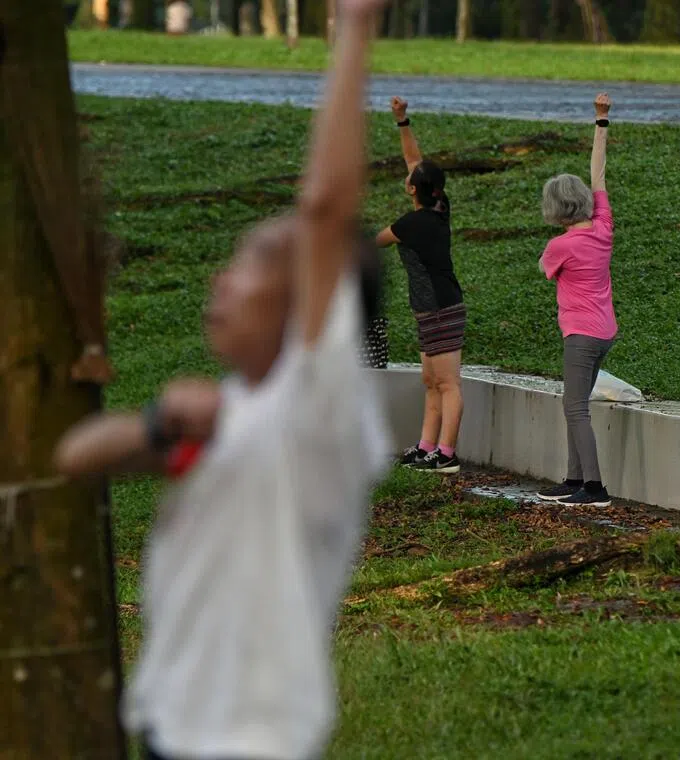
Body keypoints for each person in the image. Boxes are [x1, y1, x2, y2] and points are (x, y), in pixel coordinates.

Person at [53, 2, 392, 758]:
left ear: (314, 301)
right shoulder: (239, 413)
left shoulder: (320, 409)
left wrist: (357, 26)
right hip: (173, 732)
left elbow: (327, 206)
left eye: (253, 264)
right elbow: (76, 457)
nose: (223, 280)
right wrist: (157, 425)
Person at [535, 93, 618, 508]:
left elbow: (545, 268)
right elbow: (598, 174)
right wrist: (600, 121)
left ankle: (596, 489)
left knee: (575, 408)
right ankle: (573, 478)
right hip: (604, 331)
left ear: (556, 210)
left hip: (581, 335)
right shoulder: (603, 226)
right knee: (576, 405)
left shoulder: (560, 247)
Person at [376, 96, 465, 474]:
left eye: (410, 179)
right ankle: (426, 445)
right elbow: (416, 162)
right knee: (430, 380)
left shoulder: (410, 225)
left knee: (447, 383)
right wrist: (402, 121)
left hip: (441, 307)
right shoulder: (438, 208)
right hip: (431, 308)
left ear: (414, 190)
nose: (408, 175)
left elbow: (371, 242)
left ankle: (446, 453)